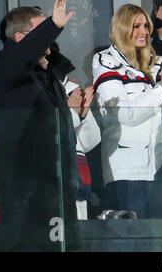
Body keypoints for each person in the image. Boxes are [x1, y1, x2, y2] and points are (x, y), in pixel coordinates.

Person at [92, 4, 162, 219]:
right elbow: (126, 115)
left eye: (146, 25)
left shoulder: (153, 63)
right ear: (122, 28)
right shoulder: (105, 61)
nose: (144, 31)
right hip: (128, 171)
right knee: (134, 241)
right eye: (136, 26)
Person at [0, 0, 79, 251]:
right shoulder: (2, 66)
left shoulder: (48, 75)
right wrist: (54, 25)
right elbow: (19, 58)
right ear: (21, 38)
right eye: (42, 31)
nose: (50, 38)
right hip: (25, 192)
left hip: (59, 188)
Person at [65, 80, 101, 220]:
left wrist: (83, 116)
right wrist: (71, 115)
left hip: (79, 186)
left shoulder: (74, 113)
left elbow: (91, 142)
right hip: (57, 188)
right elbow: (52, 135)